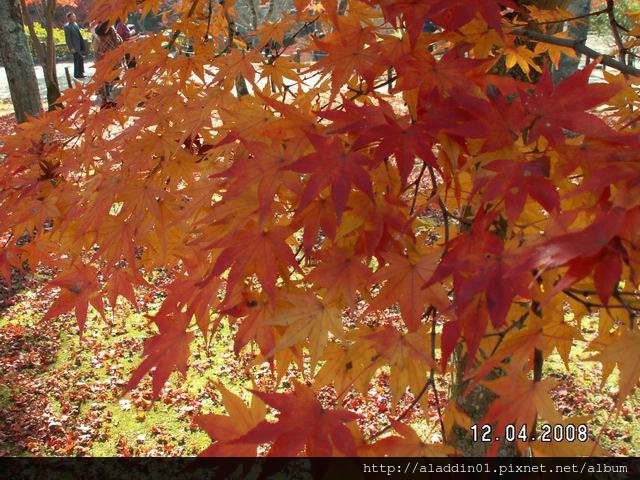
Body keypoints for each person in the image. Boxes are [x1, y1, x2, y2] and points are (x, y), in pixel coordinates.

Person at [93, 21, 124, 107]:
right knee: (114, 81)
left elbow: (95, 51)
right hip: (114, 61)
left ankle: (105, 102)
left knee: (104, 82)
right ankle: (114, 101)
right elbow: (120, 42)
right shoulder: (112, 31)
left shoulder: (96, 35)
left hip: (102, 63)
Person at [64, 12, 87, 79]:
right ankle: (79, 73)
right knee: (80, 59)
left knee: (77, 60)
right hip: (74, 46)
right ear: (68, 18)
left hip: (78, 45)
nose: (74, 18)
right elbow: (67, 38)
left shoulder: (75, 24)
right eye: (72, 17)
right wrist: (71, 48)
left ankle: (77, 73)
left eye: (74, 16)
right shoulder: (67, 26)